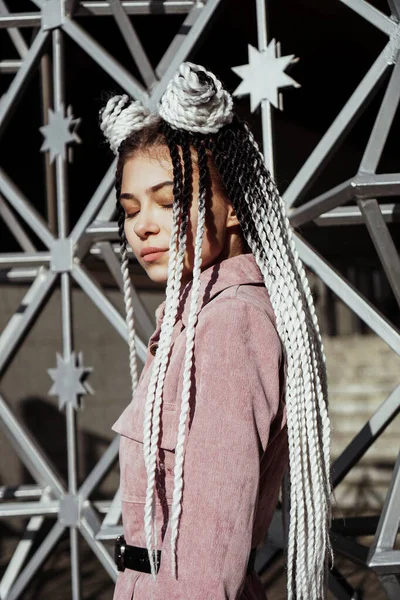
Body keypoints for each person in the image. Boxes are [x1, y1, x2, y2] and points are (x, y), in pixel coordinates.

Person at [99, 62, 334, 600]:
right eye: (130, 209)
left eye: (168, 199)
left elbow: (210, 555)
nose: (144, 225)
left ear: (232, 209)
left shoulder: (229, 325)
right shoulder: (198, 319)